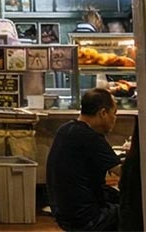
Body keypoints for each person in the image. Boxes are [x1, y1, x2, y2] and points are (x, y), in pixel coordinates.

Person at [46, 87, 122, 231]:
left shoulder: (66, 129)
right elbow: (125, 173)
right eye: (114, 113)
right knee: (136, 211)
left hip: (64, 212)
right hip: (87, 218)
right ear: (103, 113)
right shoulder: (91, 137)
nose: (115, 119)